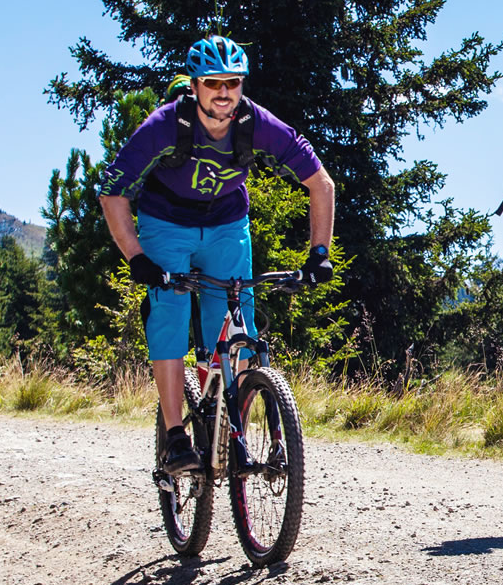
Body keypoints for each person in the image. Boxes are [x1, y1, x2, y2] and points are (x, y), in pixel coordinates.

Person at [98, 34, 336, 473]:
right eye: (212, 83)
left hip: (227, 222)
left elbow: (320, 183)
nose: (224, 93)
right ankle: (174, 436)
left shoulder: (256, 123)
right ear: (194, 86)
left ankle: (231, 427)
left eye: (232, 82)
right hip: (166, 223)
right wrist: (136, 258)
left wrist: (319, 253)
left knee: (233, 325)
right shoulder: (164, 126)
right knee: (168, 311)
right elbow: (113, 193)